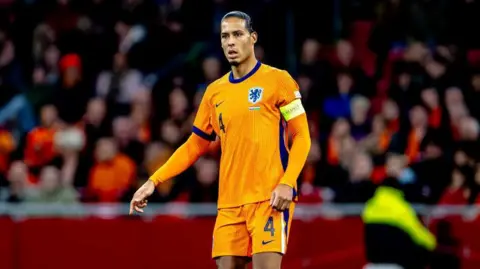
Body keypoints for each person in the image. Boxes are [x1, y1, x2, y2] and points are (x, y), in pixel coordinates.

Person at [129, 11, 311, 269]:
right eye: (225, 36)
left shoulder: (278, 80)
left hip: (268, 198)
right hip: (229, 205)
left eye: (238, 34)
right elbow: (194, 145)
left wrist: (287, 182)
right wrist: (153, 180)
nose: (231, 42)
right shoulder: (214, 93)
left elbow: (302, 135)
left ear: (253, 38)